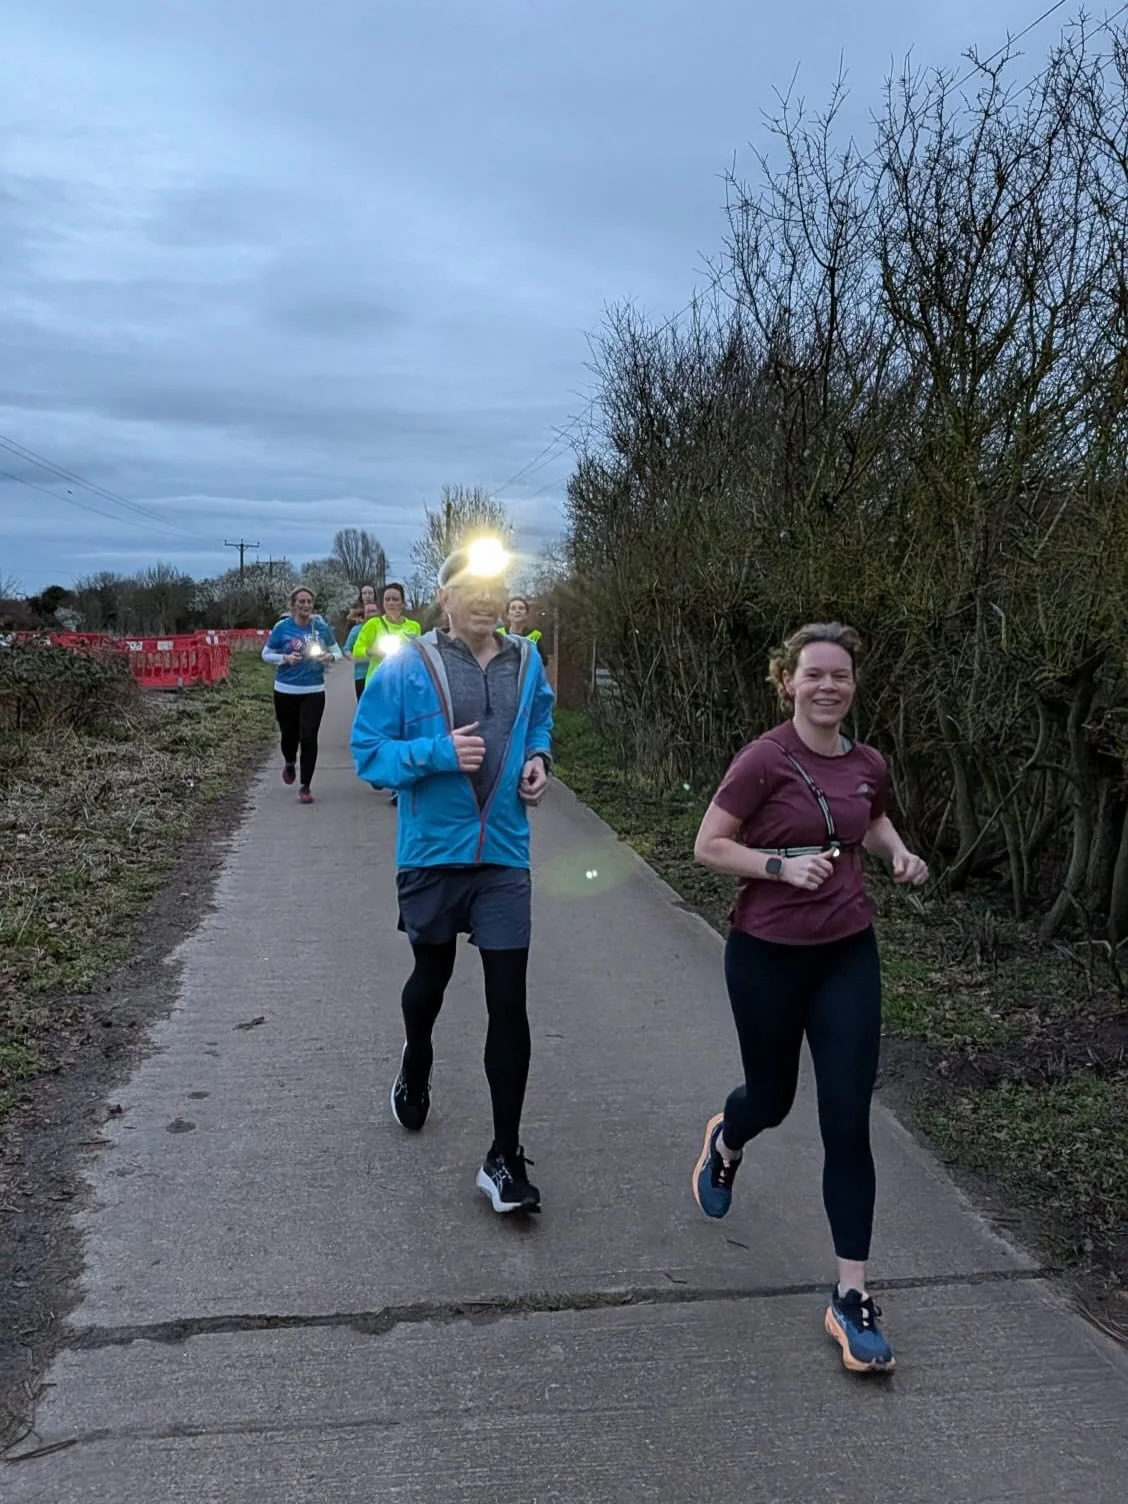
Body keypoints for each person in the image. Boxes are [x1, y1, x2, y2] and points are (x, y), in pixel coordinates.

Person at [690, 622, 927, 1374]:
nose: (829, 687)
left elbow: (873, 815)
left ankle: (850, 1297)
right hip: (765, 956)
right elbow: (709, 845)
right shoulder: (764, 760)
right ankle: (728, 1138)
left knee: (847, 1119)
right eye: (814, 675)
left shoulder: (867, 762)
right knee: (772, 1097)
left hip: (847, 955)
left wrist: (896, 853)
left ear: (853, 686)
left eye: (841, 676)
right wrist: (776, 867)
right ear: (787, 681)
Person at [351, 544, 554, 1214]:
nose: (486, 600)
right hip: (432, 854)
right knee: (430, 980)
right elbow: (368, 752)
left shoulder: (527, 658)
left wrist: (538, 757)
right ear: (446, 598)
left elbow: (538, 718)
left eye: (497, 586)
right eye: (471, 588)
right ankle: (416, 1058)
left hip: (503, 855)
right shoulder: (407, 663)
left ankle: (504, 1156)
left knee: (510, 1002)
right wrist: (439, 753)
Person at [261, 586, 343, 804]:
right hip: (285, 689)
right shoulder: (282, 627)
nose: (305, 606)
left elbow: (338, 652)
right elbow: (265, 654)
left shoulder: (321, 627)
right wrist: (284, 659)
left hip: (313, 690)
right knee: (289, 735)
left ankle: (305, 786)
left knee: (309, 736)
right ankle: (289, 761)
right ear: (293, 605)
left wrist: (329, 657)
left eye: (309, 602)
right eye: (301, 602)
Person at [351, 582, 421, 684]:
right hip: (378, 683)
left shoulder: (414, 627)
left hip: (404, 682)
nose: (391, 603)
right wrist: (373, 651)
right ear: (383, 603)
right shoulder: (373, 624)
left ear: (402, 603)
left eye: (395, 599)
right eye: (387, 599)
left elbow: (418, 655)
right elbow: (356, 651)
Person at [343, 605, 369, 704]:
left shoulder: (383, 628)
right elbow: (347, 649)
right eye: (368, 612)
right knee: (364, 707)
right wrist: (353, 658)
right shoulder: (357, 630)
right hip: (362, 675)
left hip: (380, 675)